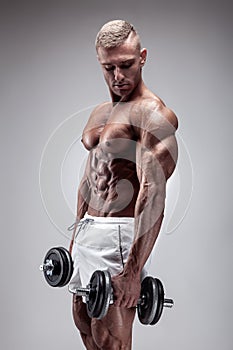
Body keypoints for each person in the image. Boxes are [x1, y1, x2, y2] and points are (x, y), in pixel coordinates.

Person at [68, 19, 178, 350]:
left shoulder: (152, 114)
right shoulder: (102, 112)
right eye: (109, 67)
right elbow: (90, 176)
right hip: (89, 231)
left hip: (120, 233)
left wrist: (133, 271)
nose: (118, 77)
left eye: (126, 65)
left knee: (110, 339)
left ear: (142, 57)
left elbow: (154, 191)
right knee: (84, 323)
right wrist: (75, 237)